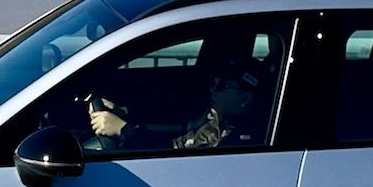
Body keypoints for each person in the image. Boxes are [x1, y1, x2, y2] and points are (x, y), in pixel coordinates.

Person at [85, 49, 273, 153]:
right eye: (215, 82)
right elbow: (178, 134)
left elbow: (170, 154)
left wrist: (123, 129)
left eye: (223, 85)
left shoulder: (235, 140)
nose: (213, 88)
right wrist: (125, 113)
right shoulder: (216, 119)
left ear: (246, 98)